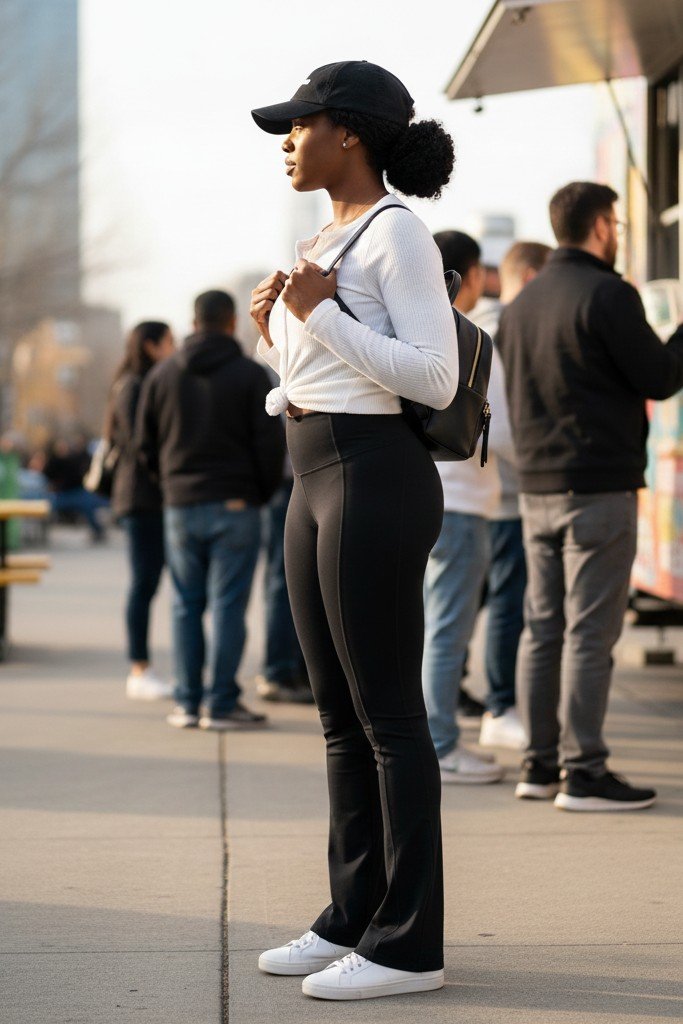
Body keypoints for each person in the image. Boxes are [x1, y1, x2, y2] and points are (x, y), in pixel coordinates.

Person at [250, 60, 458, 1000]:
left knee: (387, 719)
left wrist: (319, 314)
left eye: (299, 125)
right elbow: (324, 375)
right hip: (313, 471)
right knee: (337, 719)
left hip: (373, 477)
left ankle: (410, 944)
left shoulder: (396, 235)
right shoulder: (320, 237)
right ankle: (353, 915)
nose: (287, 143)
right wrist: (279, 344)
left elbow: (433, 378)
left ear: (351, 134)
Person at [500, 181, 683, 811]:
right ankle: (585, 772)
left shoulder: (520, 306)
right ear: (602, 226)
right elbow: (660, 377)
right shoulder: (609, 294)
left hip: (536, 488)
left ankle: (539, 764)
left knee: (542, 627)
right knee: (589, 634)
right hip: (598, 488)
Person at [136, 290, 285, 731]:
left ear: (193, 321)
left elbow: (143, 444)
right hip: (237, 504)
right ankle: (221, 704)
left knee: (185, 605)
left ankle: (186, 702)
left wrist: (170, 485)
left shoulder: (163, 375)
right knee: (228, 607)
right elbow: (270, 444)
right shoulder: (251, 375)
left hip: (181, 504)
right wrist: (258, 494)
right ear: (231, 321)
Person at [422, 230, 515, 784]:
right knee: (448, 629)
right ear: (470, 276)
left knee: (427, 624)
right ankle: (441, 743)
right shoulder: (472, 339)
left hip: (417, 496)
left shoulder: (407, 328)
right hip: (462, 505)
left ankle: (429, 739)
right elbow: (496, 430)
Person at [477, 241, 551, 751]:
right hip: (503, 491)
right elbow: (500, 426)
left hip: (476, 489)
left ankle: (483, 698)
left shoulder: (476, 324)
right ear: (527, 275)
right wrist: (536, 468)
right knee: (507, 604)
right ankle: (500, 704)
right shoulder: (502, 328)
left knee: (467, 605)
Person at [108, 321, 175, 700]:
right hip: (142, 498)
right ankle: (139, 669)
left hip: (147, 497)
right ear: (151, 346)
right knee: (143, 583)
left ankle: (143, 668)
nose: (173, 348)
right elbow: (139, 443)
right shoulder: (134, 385)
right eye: (168, 342)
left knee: (147, 583)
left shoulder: (137, 382)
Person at [255, 462, 313, 704]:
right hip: (290, 482)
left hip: (291, 481)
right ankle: (279, 671)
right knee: (286, 580)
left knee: (285, 580)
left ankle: (291, 669)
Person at [43, 438, 107, 542]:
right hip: (60, 494)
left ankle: (98, 531)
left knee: (88, 504)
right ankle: (42, 534)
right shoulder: (52, 461)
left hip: (77, 492)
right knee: (48, 505)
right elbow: (47, 477)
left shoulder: (74, 459)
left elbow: (81, 476)